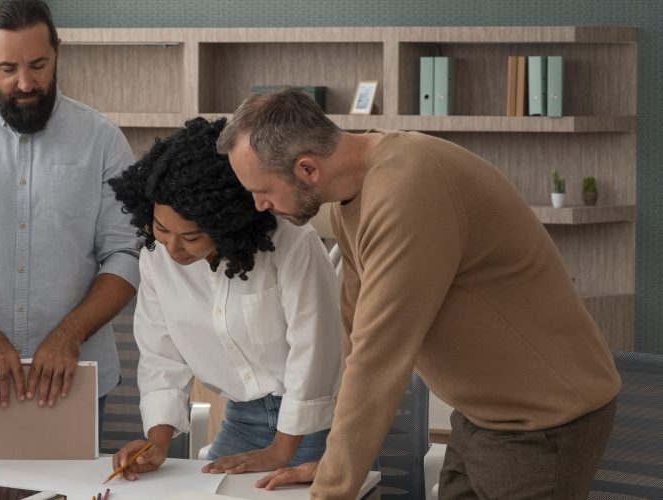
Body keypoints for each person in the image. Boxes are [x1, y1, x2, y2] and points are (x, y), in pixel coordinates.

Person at [219, 88, 620, 498]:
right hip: (482, 413)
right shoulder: (349, 196)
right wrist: (332, 464)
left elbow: (380, 356)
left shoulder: (407, 190)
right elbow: (357, 339)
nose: (258, 205)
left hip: (541, 418)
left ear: (307, 168)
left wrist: (330, 490)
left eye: (261, 189)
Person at [0, 0, 139, 444]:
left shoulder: (103, 141)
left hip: (76, 373)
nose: (25, 83)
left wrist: (69, 335)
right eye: (7, 68)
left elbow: (125, 254)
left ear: (58, 52)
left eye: (38, 65)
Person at [106, 118, 342, 481]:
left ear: (226, 222)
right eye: (161, 228)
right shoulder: (156, 257)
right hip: (242, 419)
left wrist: (281, 450)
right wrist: (157, 441)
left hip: (318, 424)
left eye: (191, 236)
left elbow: (315, 353)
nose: (172, 248)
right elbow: (160, 355)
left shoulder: (293, 243)